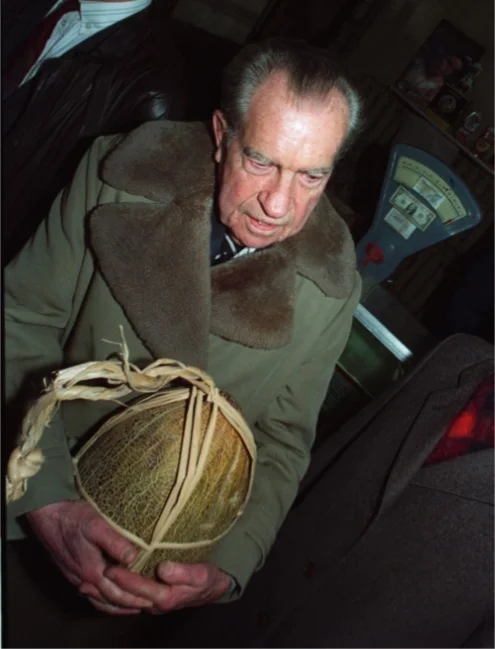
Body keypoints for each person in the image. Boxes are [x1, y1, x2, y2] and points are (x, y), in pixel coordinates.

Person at [5, 37, 362, 636]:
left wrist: (225, 568)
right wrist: (41, 492)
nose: (279, 204)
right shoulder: (116, 175)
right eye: (261, 161)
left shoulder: (331, 289)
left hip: (135, 579)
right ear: (222, 135)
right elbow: (19, 317)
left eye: (311, 175)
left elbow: (281, 444)